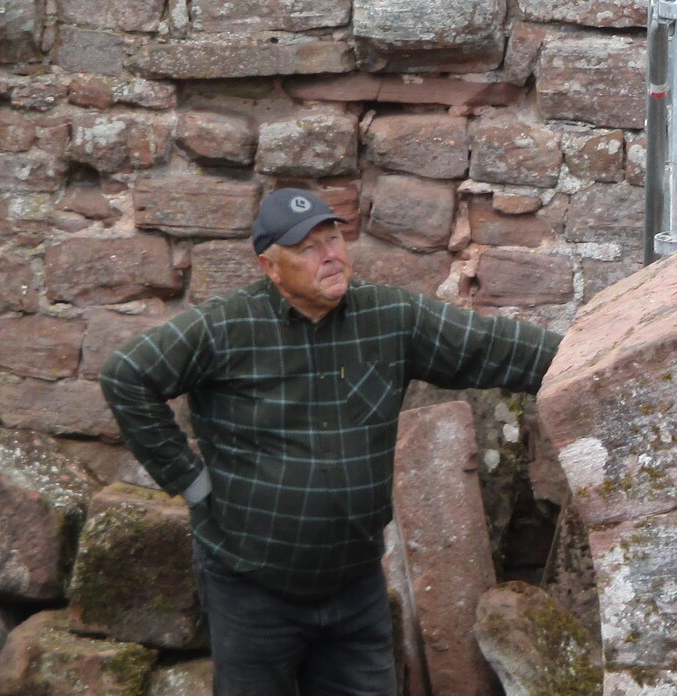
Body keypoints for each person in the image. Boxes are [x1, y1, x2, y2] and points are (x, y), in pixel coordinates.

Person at [100, 188, 558, 695]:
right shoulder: (225, 327)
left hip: (354, 587)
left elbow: (491, 347)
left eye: (334, 239)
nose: (331, 255)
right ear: (270, 267)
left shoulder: (388, 317)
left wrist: (586, 357)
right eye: (308, 248)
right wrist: (190, 482)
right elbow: (127, 375)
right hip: (252, 589)